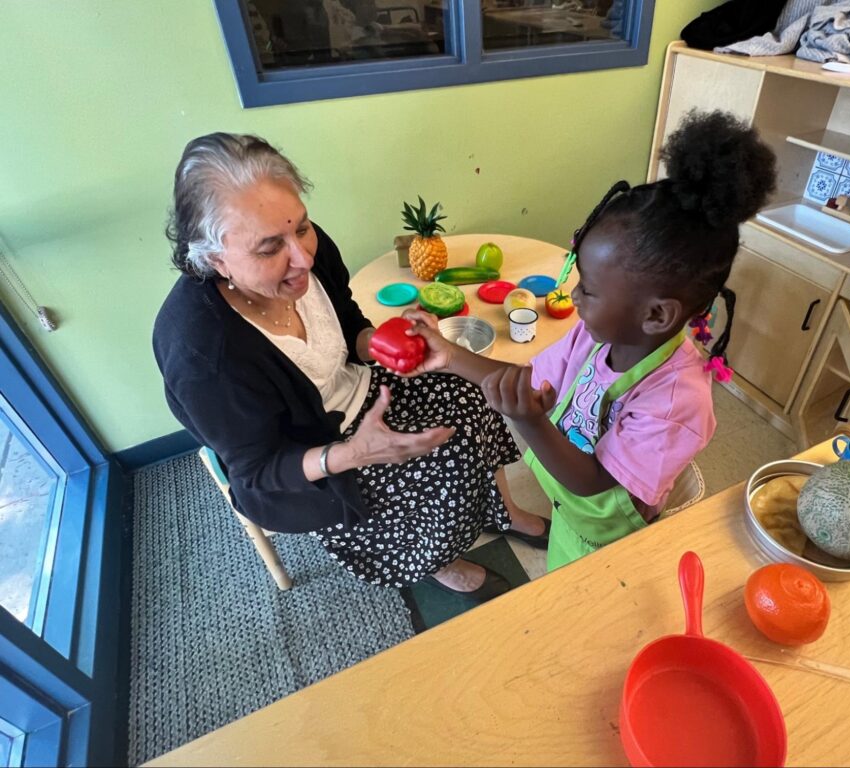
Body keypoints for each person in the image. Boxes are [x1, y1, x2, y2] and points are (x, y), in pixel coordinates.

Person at [153, 133, 548, 602]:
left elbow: (350, 327)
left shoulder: (309, 255)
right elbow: (258, 472)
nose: (303, 257)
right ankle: (439, 561)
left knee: (464, 395)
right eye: (269, 248)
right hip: (308, 455)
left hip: (359, 389)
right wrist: (356, 453)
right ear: (215, 257)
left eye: (301, 227)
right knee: (444, 465)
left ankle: (503, 510)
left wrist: (389, 342)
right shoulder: (203, 354)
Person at [403, 110, 777, 569]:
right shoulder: (593, 336)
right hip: (570, 517)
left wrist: (532, 424)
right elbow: (529, 381)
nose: (574, 295)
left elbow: (594, 481)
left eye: (590, 289)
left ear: (656, 314)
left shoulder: (679, 401)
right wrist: (450, 355)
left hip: (612, 547)